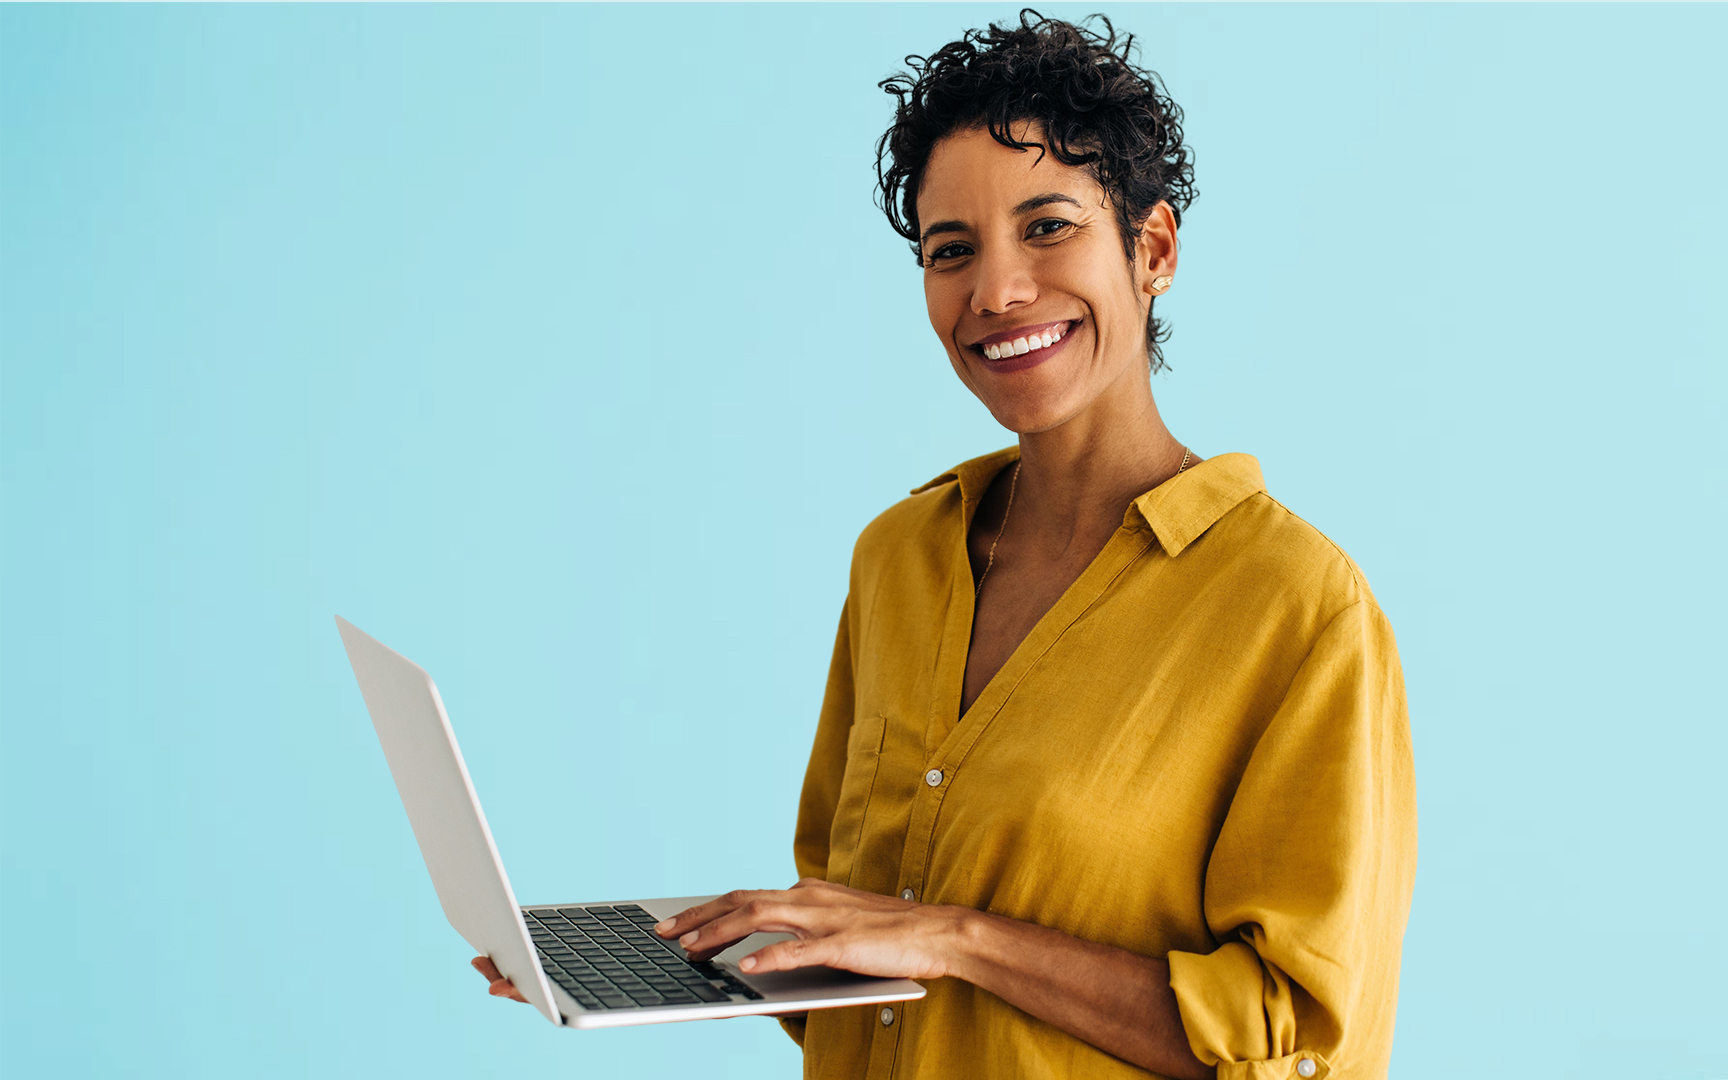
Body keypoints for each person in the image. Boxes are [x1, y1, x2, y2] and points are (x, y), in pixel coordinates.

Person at [476, 12, 1416, 1079]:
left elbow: (1302, 1043)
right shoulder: (900, 560)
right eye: (951, 250)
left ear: (1151, 249)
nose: (997, 292)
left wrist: (962, 941)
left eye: (1049, 226)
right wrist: (670, 963)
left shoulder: (1294, 607)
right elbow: (864, 955)